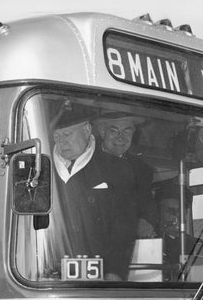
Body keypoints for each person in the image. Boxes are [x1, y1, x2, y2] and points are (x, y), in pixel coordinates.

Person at [51, 106, 139, 280]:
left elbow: (123, 226)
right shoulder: (39, 166)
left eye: (67, 134)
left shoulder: (118, 169)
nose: (61, 141)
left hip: (98, 276)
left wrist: (114, 272)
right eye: (57, 136)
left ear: (86, 130)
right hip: (44, 276)